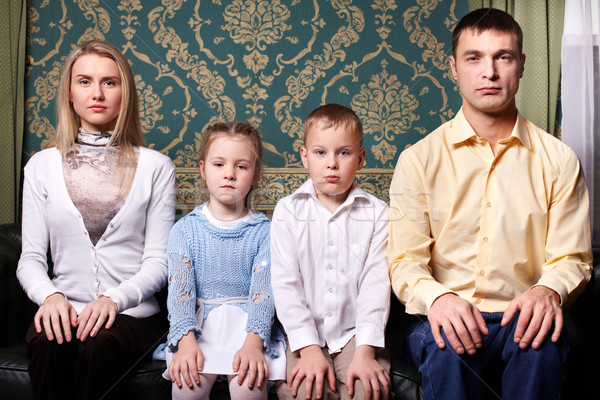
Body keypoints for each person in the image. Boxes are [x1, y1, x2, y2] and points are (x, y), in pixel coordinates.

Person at [388, 8, 593, 400]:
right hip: (444, 315)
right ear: (453, 68)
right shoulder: (418, 160)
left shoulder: (559, 160)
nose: (490, 71)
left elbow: (572, 257)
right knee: (445, 346)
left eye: (503, 57)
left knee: (542, 343)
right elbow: (404, 261)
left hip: (522, 315)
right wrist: (439, 299)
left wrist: (548, 290)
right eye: (474, 57)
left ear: (521, 66)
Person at [16, 40, 176, 400]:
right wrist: (50, 298)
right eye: (85, 81)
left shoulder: (156, 167)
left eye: (110, 82)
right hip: (63, 307)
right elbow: (31, 259)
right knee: (47, 342)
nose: (97, 93)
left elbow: (159, 262)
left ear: (125, 93)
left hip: (131, 316)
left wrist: (113, 300)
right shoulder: (41, 166)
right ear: (70, 93)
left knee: (98, 341)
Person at [271, 104, 391, 400]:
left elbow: (376, 288)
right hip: (304, 334)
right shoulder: (287, 210)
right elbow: (286, 286)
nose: (332, 164)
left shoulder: (378, 213)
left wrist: (365, 352)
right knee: (302, 390)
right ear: (305, 157)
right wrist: (309, 349)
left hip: (356, 334)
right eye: (320, 152)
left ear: (361, 158)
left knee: (370, 391)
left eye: (344, 153)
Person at [159, 121, 285, 400]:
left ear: (255, 174)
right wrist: (186, 342)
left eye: (241, 166)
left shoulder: (265, 231)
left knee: (248, 388)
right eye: (219, 164)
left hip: (248, 328)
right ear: (203, 170)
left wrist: (253, 344)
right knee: (187, 389)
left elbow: (263, 294)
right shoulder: (185, 230)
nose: (229, 173)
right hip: (200, 327)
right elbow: (180, 293)